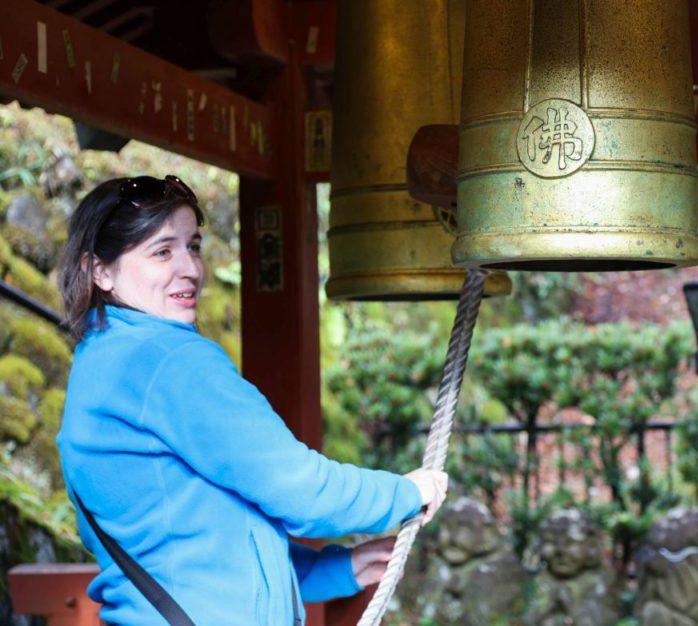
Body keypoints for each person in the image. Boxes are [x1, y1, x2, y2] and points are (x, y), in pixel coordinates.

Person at [55, 175, 448, 625]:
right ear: (98, 271)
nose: (190, 269)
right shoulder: (170, 360)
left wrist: (333, 570)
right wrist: (404, 493)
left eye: (193, 246)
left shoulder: (98, 364)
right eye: (162, 251)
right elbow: (300, 489)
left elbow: (191, 541)